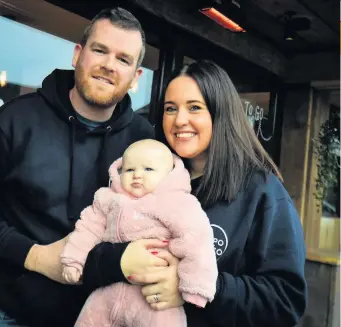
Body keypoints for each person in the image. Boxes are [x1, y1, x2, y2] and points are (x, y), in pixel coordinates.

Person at [0, 7, 156, 327]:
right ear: (77, 54)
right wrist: (36, 257)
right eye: (100, 50)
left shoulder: (144, 141)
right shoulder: (17, 120)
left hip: (97, 318)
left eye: (123, 59)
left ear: (136, 76)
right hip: (7, 314)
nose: (109, 65)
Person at [81, 60, 308, 327]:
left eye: (194, 108)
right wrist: (119, 260)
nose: (179, 120)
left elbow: (285, 301)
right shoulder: (145, 176)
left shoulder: (262, 191)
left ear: (220, 112)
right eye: (170, 108)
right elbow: (91, 249)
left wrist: (203, 287)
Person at [61, 139, 218, 326]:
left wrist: (196, 286)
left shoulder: (177, 203)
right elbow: (88, 228)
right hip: (108, 291)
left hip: (154, 298)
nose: (137, 175)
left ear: (169, 175)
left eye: (148, 170)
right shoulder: (108, 199)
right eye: (129, 170)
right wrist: (74, 260)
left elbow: (196, 240)